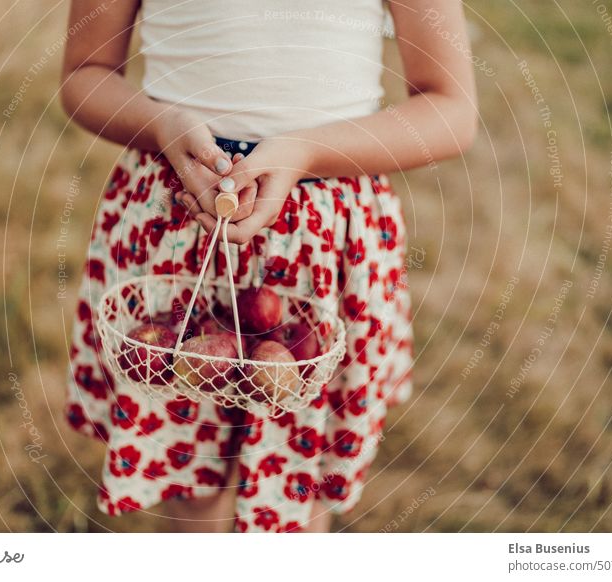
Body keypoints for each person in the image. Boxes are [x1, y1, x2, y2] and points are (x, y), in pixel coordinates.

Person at [60, 0, 477, 532]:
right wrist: (161, 122)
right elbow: (84, 74)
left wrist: (305, 150)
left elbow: (450, 108)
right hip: (179, 223)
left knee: (294, 486)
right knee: (191, 478)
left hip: (322, 242)